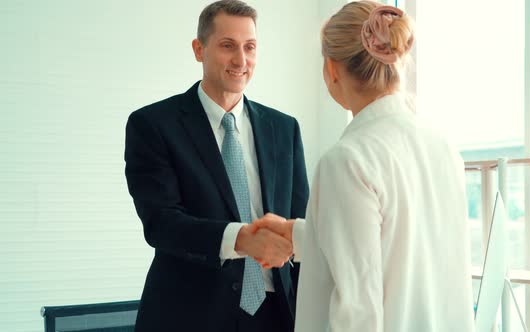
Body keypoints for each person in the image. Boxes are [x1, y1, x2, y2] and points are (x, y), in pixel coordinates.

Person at [124, 1, 309, 331]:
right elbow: (161, 223)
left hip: (276, 314)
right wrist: (241, 239)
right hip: (189, 314)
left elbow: (301, 220)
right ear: (199, 49)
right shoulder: (153, 125)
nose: (241, 60)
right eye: (227, 46)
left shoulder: (284, 129)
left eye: (250, 47)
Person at [292, 2, 475, 331]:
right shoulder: (443, 147)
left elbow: (358, 310)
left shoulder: (347, 160)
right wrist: (299, 235)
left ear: (332, 69)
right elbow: (408, 252)